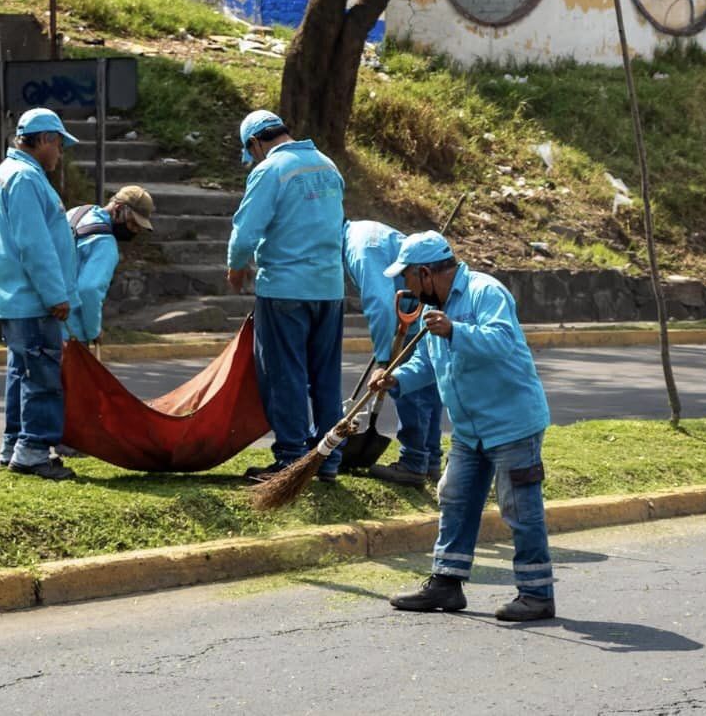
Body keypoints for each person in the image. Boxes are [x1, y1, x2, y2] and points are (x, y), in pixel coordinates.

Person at [370, 231, 555, 622]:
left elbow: (504, 341)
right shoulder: (431, 310)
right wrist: (397, 379)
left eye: (407, 278)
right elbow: (426, 363)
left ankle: (537, 594)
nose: (405, 287)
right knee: (455, 498)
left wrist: (456, 330)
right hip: (470, 429)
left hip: (512, 423)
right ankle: (446, 584)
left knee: (519, 507)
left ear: (424, 273)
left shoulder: (485, 293)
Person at [227, 109, 347, 484]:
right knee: (325, 377)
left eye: (252, 153)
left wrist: (236, 266)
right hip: (329, 289)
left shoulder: (270, 170)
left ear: (255, 143)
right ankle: (328, 460)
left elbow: (245, 232)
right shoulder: (328, 166)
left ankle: (292, 459)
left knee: (285, 374)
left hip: (285, 290)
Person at [0, 108, 81, 480]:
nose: (60, 153)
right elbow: (34, 244)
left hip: (16, 296)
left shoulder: (7, 173)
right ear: (44, 139)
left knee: (22, 372)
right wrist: (55, 294)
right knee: (42, 374)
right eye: (59, 145)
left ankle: (15, 443)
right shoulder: (26, 178)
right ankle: (33, 449)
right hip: (33, 297)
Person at [341, 219, 445, 484]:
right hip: (417, 308)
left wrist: (384, 358)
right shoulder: (366, 229)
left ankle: (413, 463)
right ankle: (430, 461)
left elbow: (379, 302)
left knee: (410, 389)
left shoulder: (358, 248)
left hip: (411, 312)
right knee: (427, 389)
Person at [65, 185, 156, 346]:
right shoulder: (105, 244)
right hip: (70, 333)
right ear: (119, 208)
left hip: (42, 317)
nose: (134, 231)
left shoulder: (78, 212)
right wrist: (93, 330)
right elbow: (89, 290)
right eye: (132, 223)